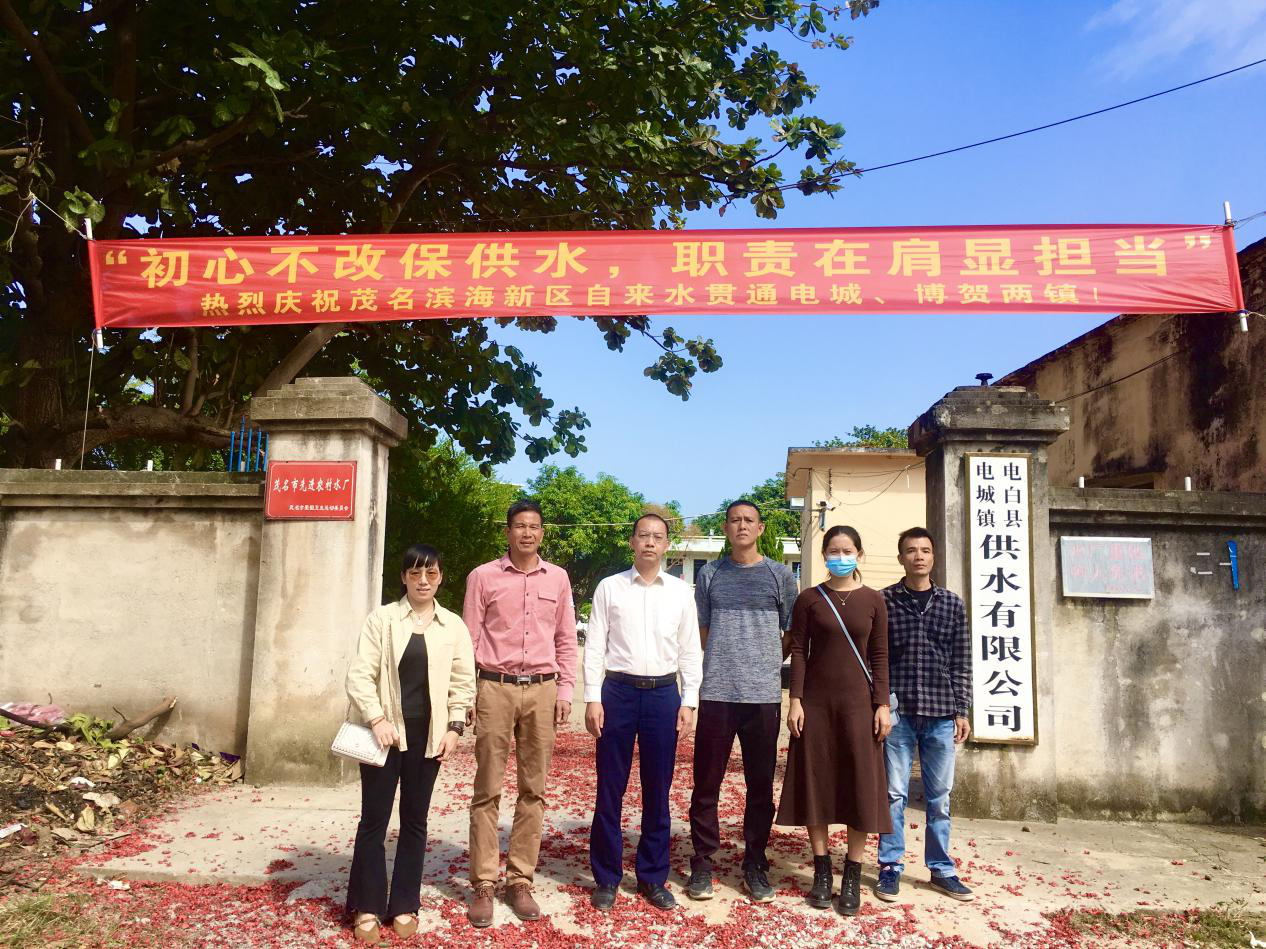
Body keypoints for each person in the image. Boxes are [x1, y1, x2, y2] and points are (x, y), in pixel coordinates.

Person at [344, 544, 476, 944]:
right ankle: (367, 905)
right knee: (374, 820)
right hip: (384, 735)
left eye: (431, 573)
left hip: (428, 737)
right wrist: (376, 718)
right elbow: (360, 675)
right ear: (403, 577)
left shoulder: (452, 626)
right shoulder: (382, 620)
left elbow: (462, 683)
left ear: (440, 578)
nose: (423, 581)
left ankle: (404, 903)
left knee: (415, 820)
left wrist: (454, 728)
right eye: (415, 573)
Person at [464, 500, 578, 928]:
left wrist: (565, 689)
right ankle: (483, 883)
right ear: (508, 532)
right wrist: (467, 694)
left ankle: (520, 880)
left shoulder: (559, 578)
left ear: (542, 533)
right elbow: (469, 639)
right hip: (495, 687)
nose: (527, 533)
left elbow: (566, 637)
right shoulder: (483, 577)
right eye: (519, 526)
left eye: (534, 526)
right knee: (487, 788)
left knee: (534, 789)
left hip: (542, 690)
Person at [585, 513, 703, 912]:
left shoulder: (680, 592)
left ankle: (652, 876)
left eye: (658, 536)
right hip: (617, 692)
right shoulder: (610, 587)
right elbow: (594, 645)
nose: (650, 542)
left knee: (658, 789)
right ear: (632, 542)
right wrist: (592, 697)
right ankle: (606, 877)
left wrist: (689, 701)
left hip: (663, 695)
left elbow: (690, 650)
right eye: (643, 535)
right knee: (610, 787)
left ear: (667, 545)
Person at [686, 500, 799, 904]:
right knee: (706, 783)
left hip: (763, 696)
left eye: (749, 520)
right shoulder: (710, 574)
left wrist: (764, 661)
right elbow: (702, 631)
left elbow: (790, 633)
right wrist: (725, 657)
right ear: (726, 528)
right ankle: (703, 861)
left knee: (760, 785)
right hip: (717, 692)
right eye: (734, 520)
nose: (742, 526)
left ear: (761, 528)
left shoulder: (780, 575)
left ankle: (755, 862)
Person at [776, 525, 891, 915]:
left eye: (847, 550)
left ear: (859, 554)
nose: (840, 556)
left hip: (860, 705)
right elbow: (799, 652)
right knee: (817, 782)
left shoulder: (873, 600)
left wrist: (882, 704)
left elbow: (880, 655)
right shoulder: (809, 599)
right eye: (833, 551)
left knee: (861, 784)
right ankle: (822, 870)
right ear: (824, 555)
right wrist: (795, 700)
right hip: (816, 704)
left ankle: (853, 873)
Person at [876, 527, 975, 903]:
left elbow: (961, 661)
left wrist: (962, 710)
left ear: (933, 557)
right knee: (893, 794)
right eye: (911, 550)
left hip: (941, 712)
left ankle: (941, 869)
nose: (918, 556)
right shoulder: (884, 601)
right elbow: (876, 660)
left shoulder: (952, 604)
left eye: (925, 550)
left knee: (940, 798)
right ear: (900, 557)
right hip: (898, 714)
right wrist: (880, 705)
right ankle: (890, 866)